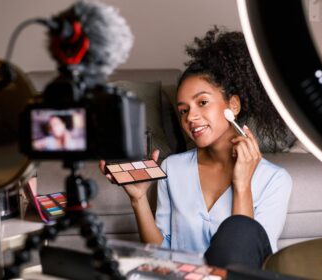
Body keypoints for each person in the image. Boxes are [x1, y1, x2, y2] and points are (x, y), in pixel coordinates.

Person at [99, 26, 292, 269]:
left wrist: (242, 185)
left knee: (240, 230)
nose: (191, 117)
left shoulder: (274, 180)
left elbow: (247, 258)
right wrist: (138, 200)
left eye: (202, 102)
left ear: (232, 105)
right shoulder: (173, 168)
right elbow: (161, 258)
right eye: (183, 110)